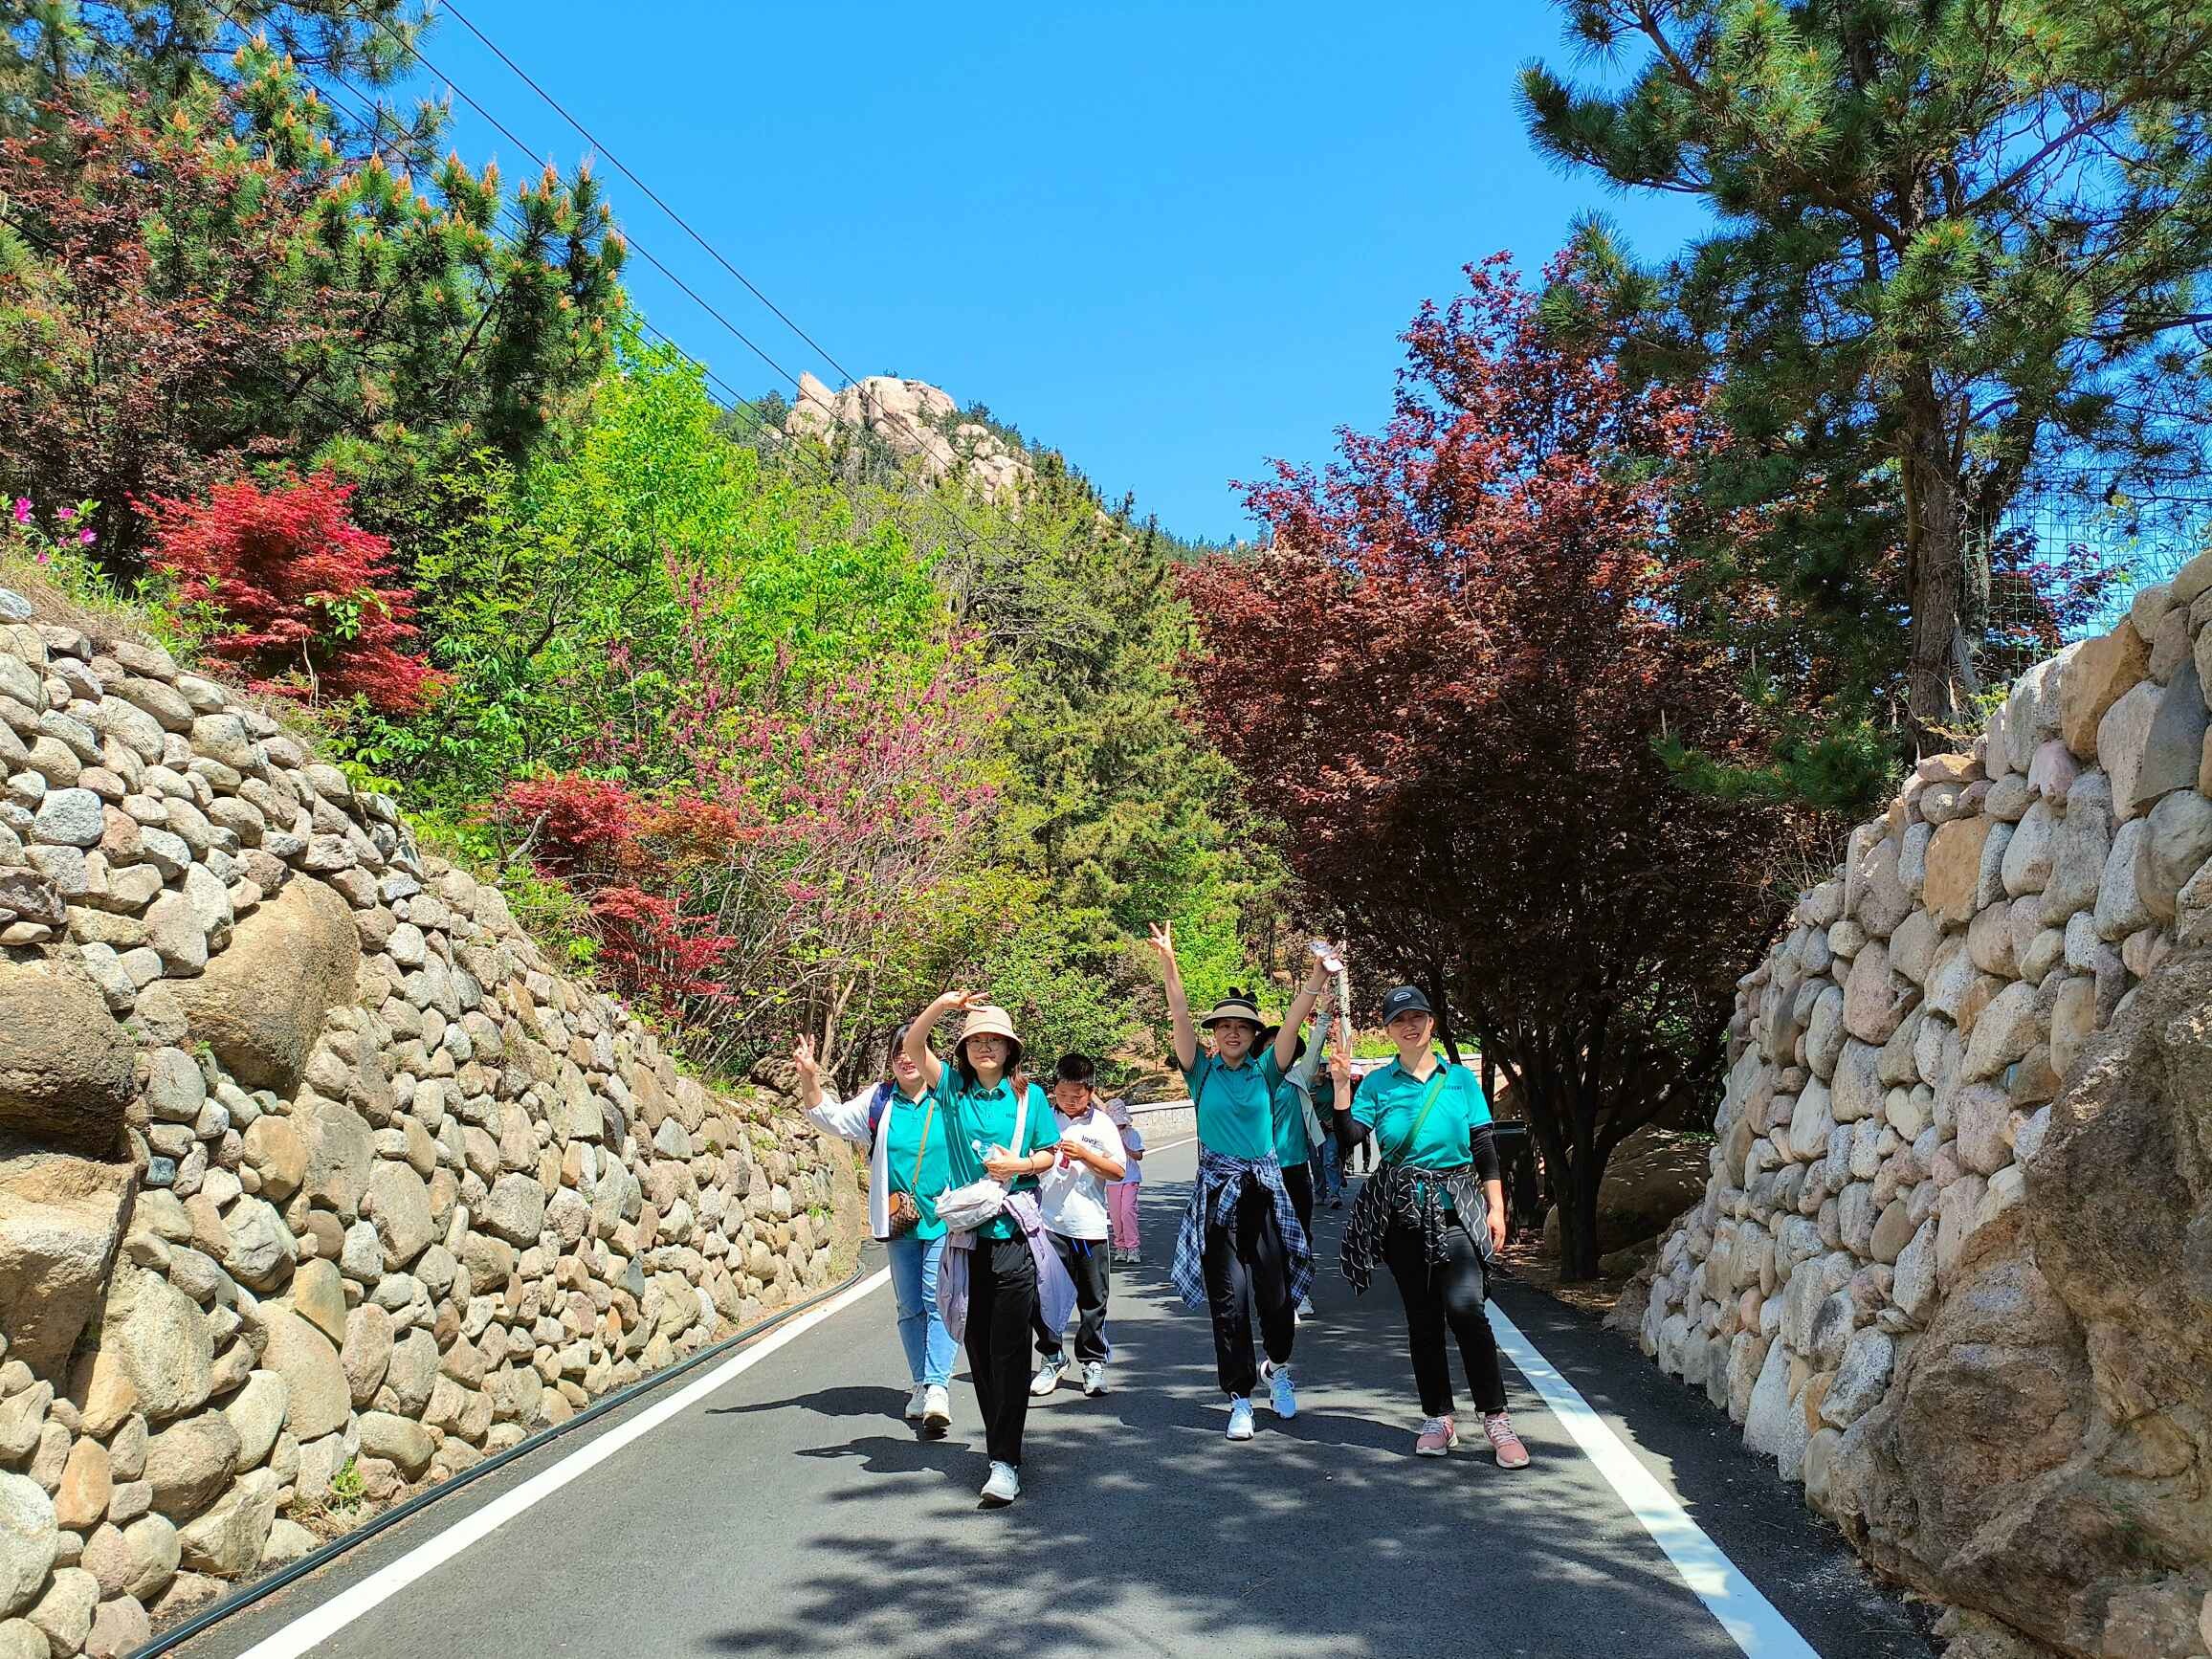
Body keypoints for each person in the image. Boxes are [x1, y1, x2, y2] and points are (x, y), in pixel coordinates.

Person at [1329, 984, 1529, 1468]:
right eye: (1399, 1020)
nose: (1409, 1025)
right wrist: (1340, 1087)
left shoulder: (1459, 1080)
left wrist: (1496, 1207)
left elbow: (1484, 1146)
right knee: (1422, 1320)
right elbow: (1350, 1139)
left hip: (1456, 1208)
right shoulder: (1378, 1085)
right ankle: (1438, 1417)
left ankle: (1496, 1419)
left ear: (1431, 1023)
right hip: (1402, 1213)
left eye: (1417, 1016)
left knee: (1467, 1311)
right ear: (1389, 1030)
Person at [1150, 921, 1323, 1441]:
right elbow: (1179, 1014)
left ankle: (1281, 1370)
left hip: (1264, 1195)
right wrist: (1169, 961)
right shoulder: (1200, 1073)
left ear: (1252, 1037)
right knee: (1230, 1300)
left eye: (1242, 1028)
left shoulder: (1266, 1072)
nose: (1231, 1033)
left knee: (1274, 1297)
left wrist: (1315, 976)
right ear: (1214, 1035)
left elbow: (1293, 1022)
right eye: (1223, 1027)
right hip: (1217, 1199)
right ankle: (1239, 1397)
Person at [903, 992, 1068, 1506]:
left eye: (995, 1039)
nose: (986, 1047)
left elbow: (1050, 1153)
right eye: (976, 1040)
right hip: (965, 1240)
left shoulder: (1029, 1097)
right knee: (976, 1346)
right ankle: (1001, 1447)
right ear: (965, 1048)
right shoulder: (950, 1089)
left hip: (1013, 1235)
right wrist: (944, 1004)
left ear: (1010, 1047)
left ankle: (1005, 1458)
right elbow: (913, 1042)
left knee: (1010, 1347)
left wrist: (1020, 1166)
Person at [792, 1029, 956, 1435]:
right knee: (910, 1305)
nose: (906, 1059)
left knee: (939, 1299)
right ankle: (920, 1383)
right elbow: (827, 1116)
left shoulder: (949, 1094)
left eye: (913, 1050)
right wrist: (809, 1075)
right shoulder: (880, 1101)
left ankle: (938, 1387)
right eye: (897, 1052)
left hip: (946, 1218)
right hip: (901, 1219)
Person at [1030, 1054, 1126, 1399]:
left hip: (1088, 1226)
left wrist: (1085, 1155)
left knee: (1093, 1300)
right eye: (1062, 1094)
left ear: (1090, 1092)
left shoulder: (1102, 1125)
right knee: (1042, 1297)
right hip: (1046, 1223)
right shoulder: (1042, 1119)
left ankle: (1092, 1361)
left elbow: (1119, 1171)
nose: (1069, 1102)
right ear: (1053, 1090)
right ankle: (1052, 1358)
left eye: (1077, 1096)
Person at [1264, 994, 1334, 1319]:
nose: (1278, 1048)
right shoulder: (1254, 1080)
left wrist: (1323, 1015)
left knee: (1301, 1233)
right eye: (1270, 1044)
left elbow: (1317, 1046)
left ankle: (1300, 1292)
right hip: (1263, 1172)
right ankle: (1278, 1297)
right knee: (1271, 1237)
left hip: (1295, 1170)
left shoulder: (1298, 1078)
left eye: (1283, 1043)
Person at [1104, 1096, 1145, 1263]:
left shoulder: (1133, 1133)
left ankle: (1133, 1247)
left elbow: (1139, 1155)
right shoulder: (1106, 1135)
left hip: (1130, 1177)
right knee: (1115, 1214)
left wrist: (1125, 1148)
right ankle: (1120, 1246)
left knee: (1127, 1211)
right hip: (1112, 1179)